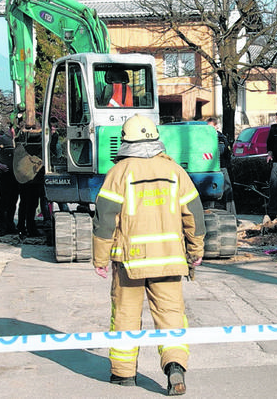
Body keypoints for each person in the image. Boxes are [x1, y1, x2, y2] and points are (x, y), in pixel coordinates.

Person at [92, 115, 205, 395]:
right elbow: (195, 215)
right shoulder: (175, 171)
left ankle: (123, 374)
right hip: (169, 259)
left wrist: (100, 258)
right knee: (171, 316)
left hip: (129, 261)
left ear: (125, 140)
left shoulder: (119, 173)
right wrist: (196, 250)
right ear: (155, 138)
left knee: (126, 316)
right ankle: (175, 366)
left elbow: (105, 218)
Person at [206, 116, 235, 214]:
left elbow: (221, 151)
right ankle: (210, 213)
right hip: (210, 168)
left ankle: (232, 214)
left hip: (222, 167)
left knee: (228, 191)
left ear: (216, 126)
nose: (209, 129)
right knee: (210, 192)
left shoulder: (220, 138)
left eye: (211, 127)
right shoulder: (205, 138)